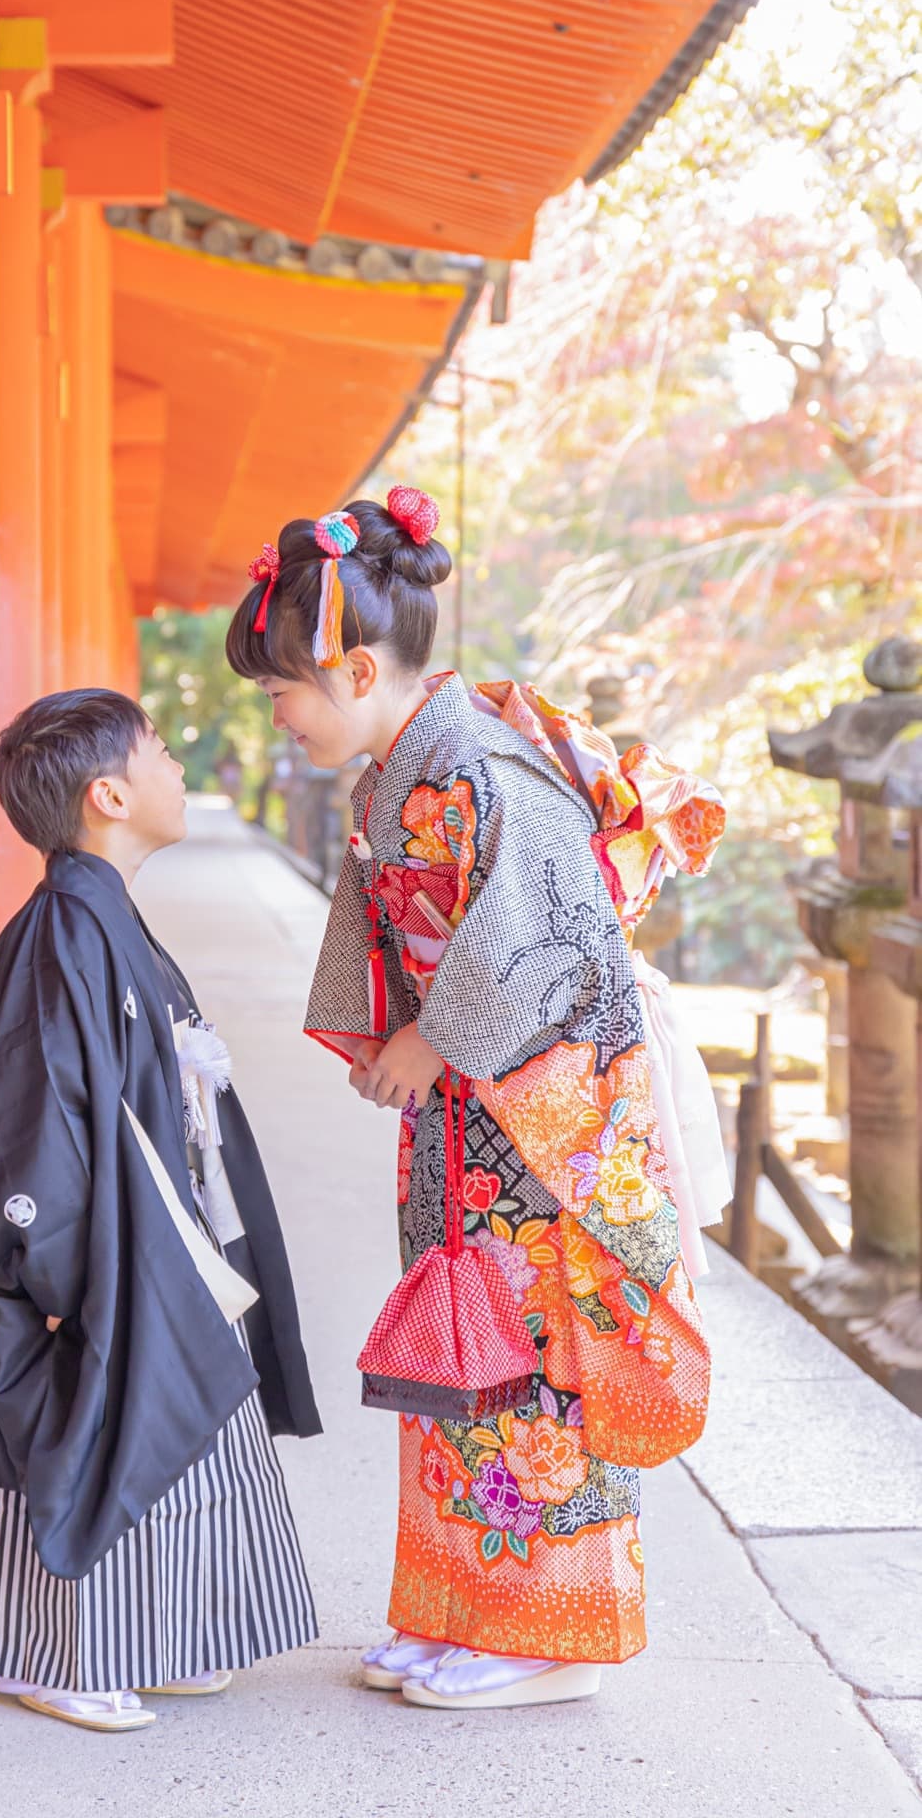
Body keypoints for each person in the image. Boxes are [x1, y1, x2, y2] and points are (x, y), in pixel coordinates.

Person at [227, 489, 719, 1712]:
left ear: (350, 668)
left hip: (546, 1131)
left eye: (282, 688)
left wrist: (433, 1040)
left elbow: (560, 941)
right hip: (472, 1125)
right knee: (457, 1354)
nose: (277, 713)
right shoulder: (400, 771)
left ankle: (552, 1631)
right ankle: (456, 1604)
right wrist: (395, 1039)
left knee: (544, 1364)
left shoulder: (486, 768)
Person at [0, 688, 321, 1734]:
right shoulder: (63, 932)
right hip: (94, 1245)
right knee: (93, 1425)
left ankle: (161, 1632)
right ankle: (42, 1652)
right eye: (160, 752)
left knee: (182, 1410)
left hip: (153, 1229)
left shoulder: (97, 913)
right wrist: (47, 1266)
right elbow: (34, 1112)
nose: (178, 768)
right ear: (106, 794)